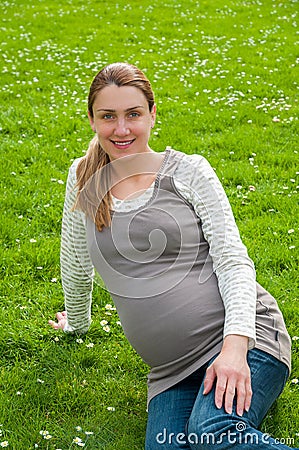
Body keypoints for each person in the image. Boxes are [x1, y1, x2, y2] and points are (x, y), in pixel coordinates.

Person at [49, 62, 295, 449]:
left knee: (210, 433)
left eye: (133, 114)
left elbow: (233, 260)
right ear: (92, 120)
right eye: (108, 116)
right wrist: (76, 325)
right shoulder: (83, 177)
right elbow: (77, 262)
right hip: (171, 372)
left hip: (245, 340)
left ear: (152, 114)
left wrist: (234, 351)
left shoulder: (188, 171)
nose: (122, 129)